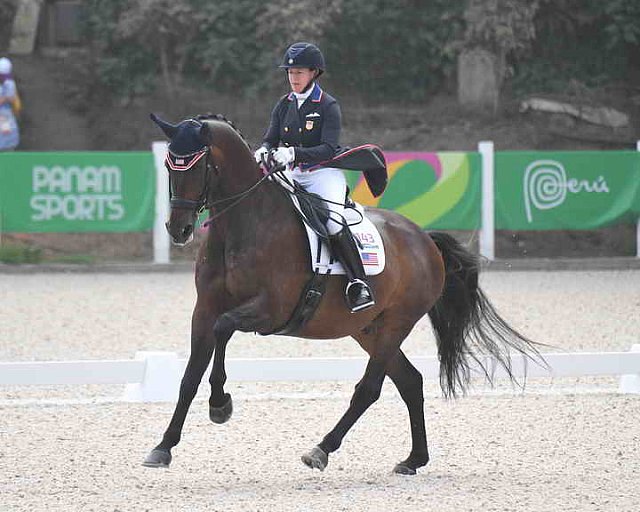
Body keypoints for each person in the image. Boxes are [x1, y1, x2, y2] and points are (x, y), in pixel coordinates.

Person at [254, 42, 375, 313]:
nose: (293, 78)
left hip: (322, 174)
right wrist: (264, 150)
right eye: (290, 73)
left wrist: (294, 153)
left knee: (333, 222)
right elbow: (270, 138)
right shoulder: (283, 104)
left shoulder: (328, 105)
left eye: (298, 73)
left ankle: (359, 283)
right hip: (290, 173)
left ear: (313, 73)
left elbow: (328, 148)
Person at [0, 57, 20, 151]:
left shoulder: (9, 83)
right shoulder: (9, 83)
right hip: (5, 118)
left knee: (7, 145)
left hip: (5, 118)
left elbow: (12, 99)